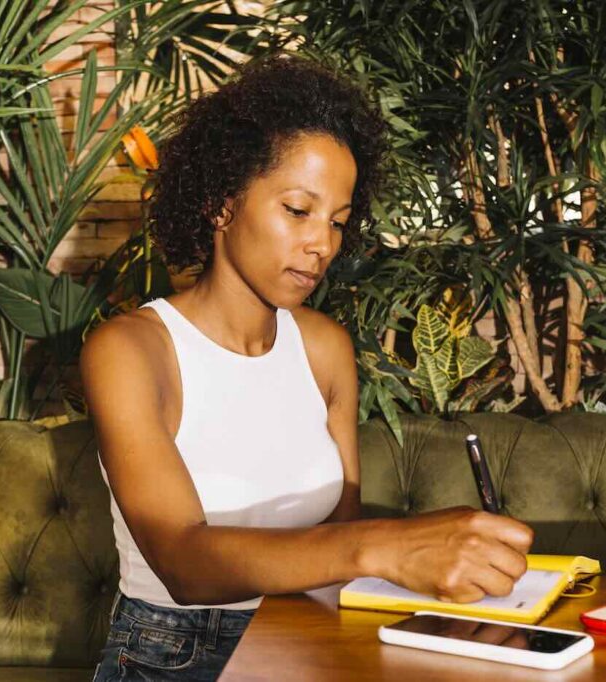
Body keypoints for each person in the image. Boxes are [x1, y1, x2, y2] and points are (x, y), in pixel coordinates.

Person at [80, 56, 534, 682]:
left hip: (310, 634)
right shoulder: (132, 351)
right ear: (221, 204)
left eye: (338, 223)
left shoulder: (323, 348)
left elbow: (337, 544)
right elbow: (182, 562)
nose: (322, 243)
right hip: (173, 652)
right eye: (298, 210)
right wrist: (391, 545)